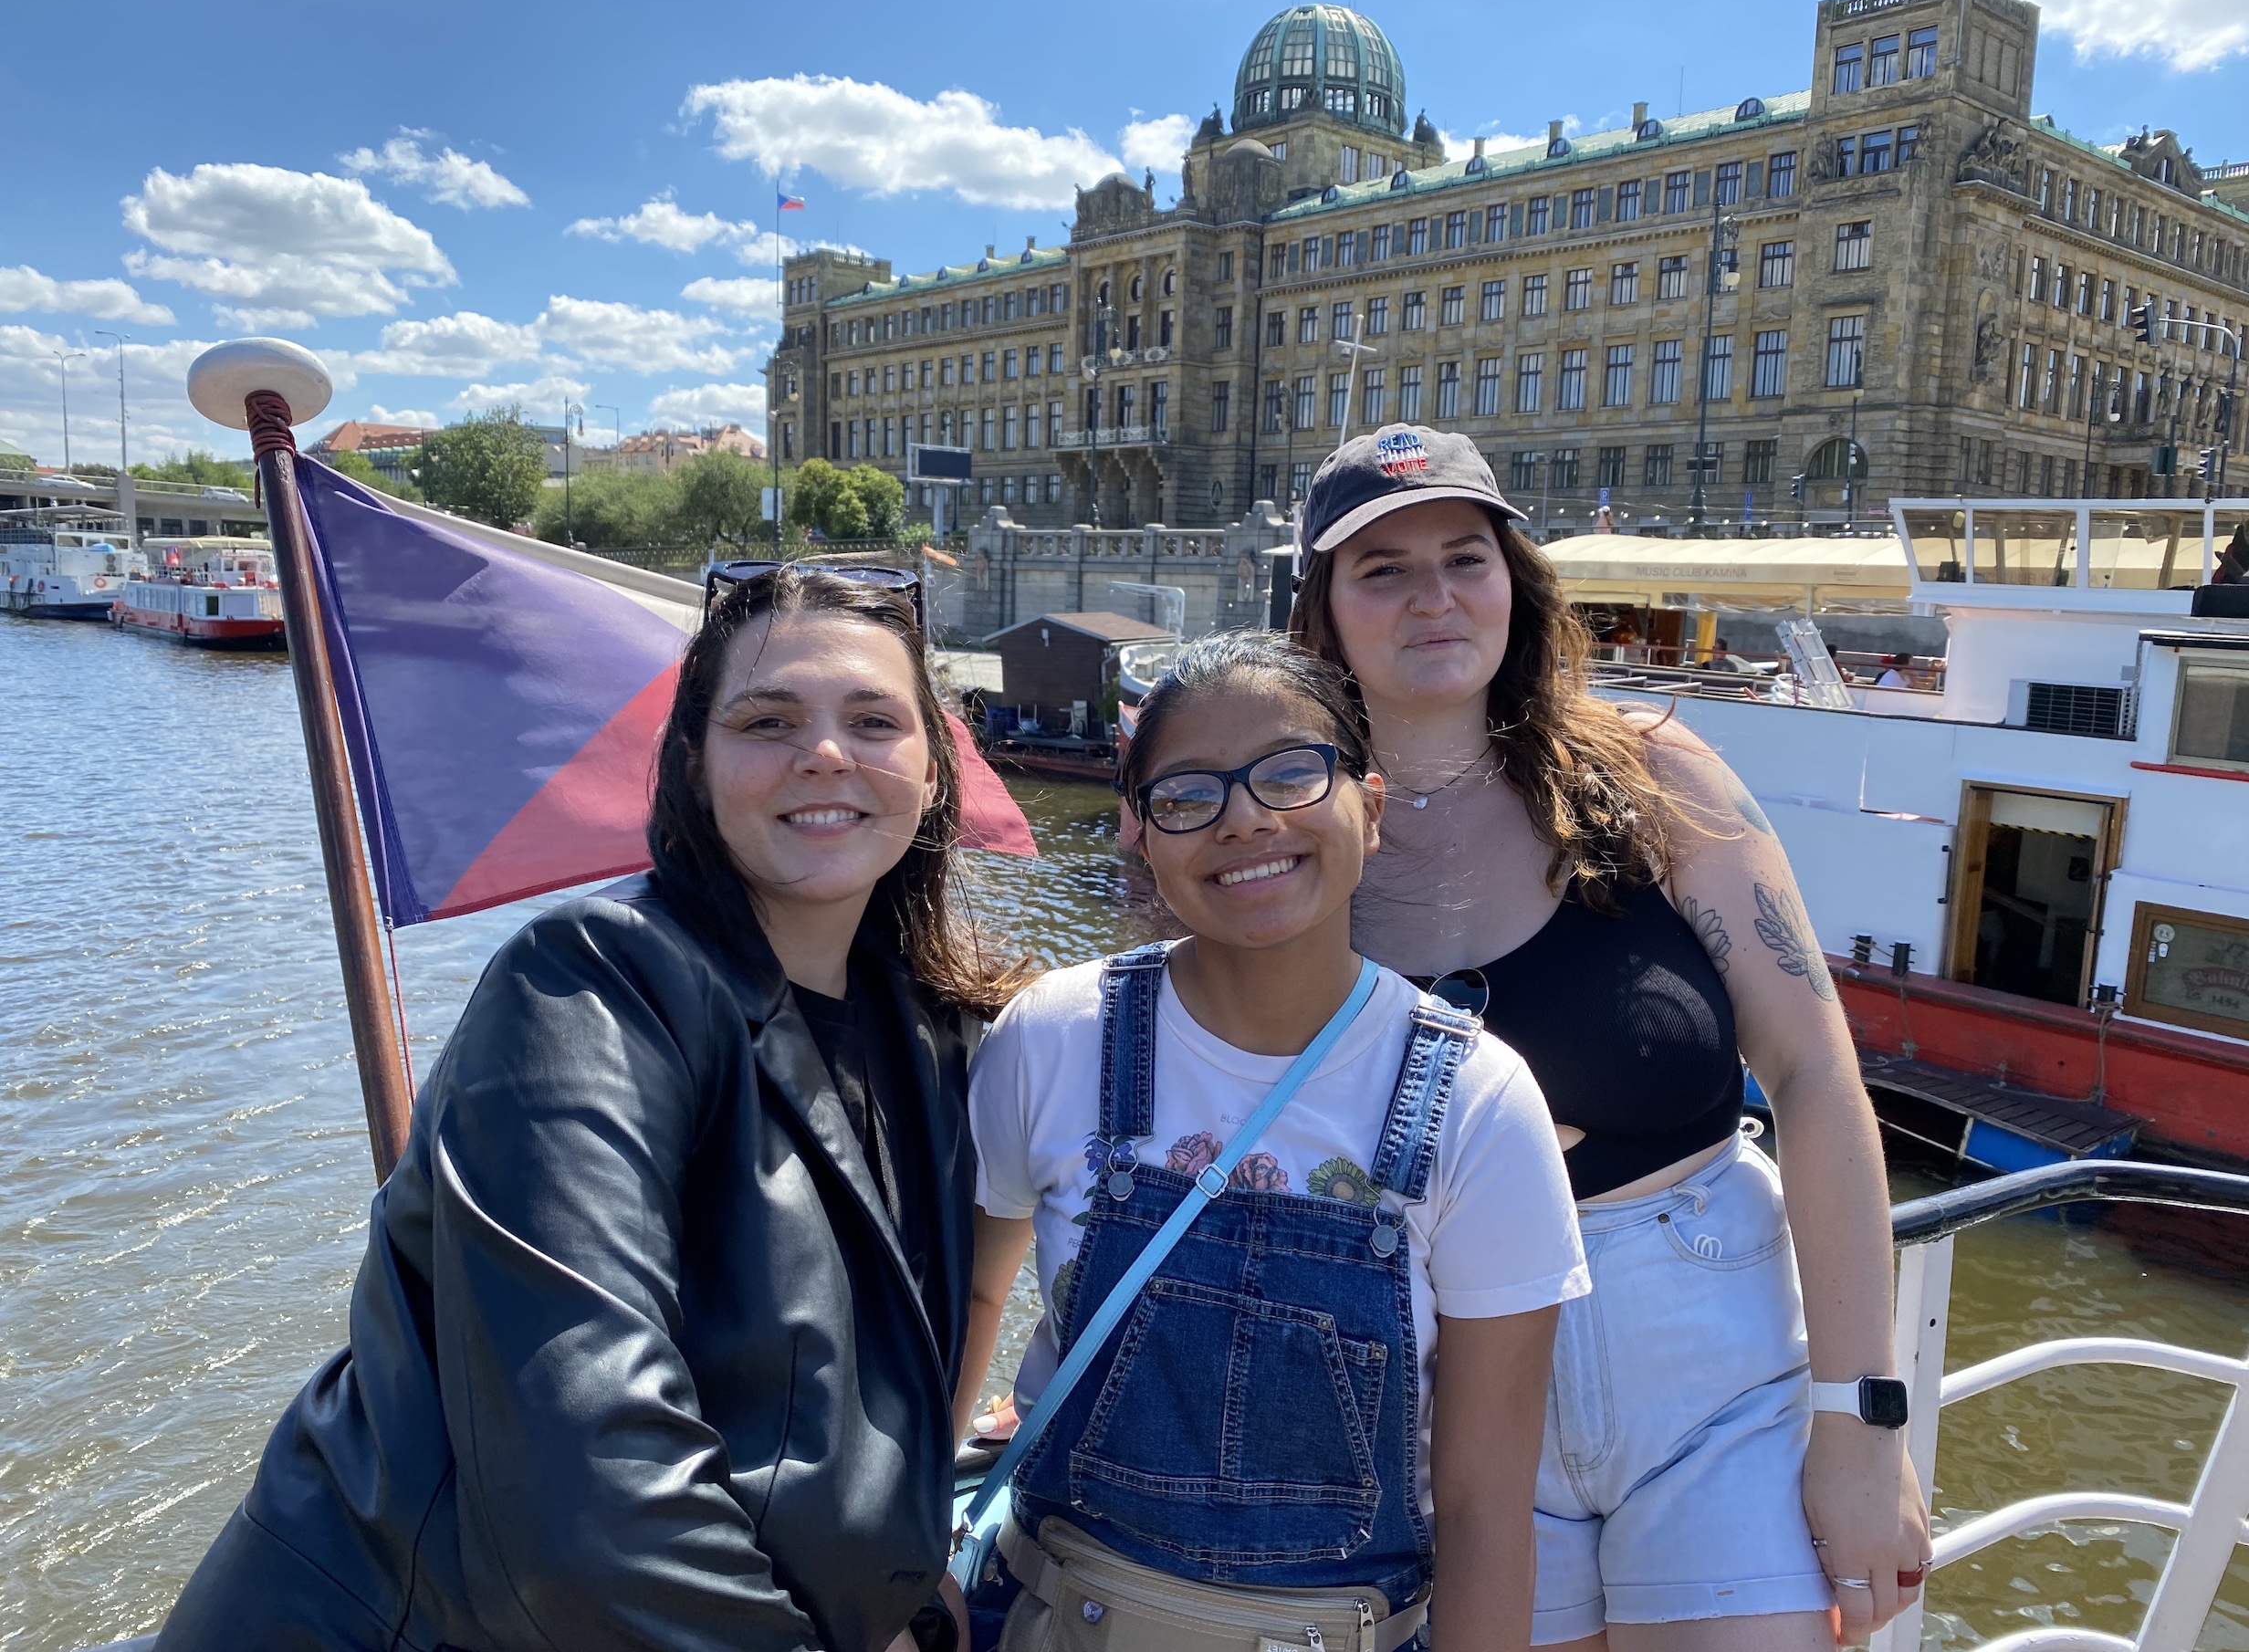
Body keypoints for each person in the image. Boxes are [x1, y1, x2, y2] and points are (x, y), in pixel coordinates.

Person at [156, 564, 1023, 1652]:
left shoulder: (935, 1032)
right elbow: (587, 1478)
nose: (825, 754)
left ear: (935, 775)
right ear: (691, 764)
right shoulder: (589, 986)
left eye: (872, 720)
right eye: (767, 720)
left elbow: (877, 1399)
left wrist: (899, 1580)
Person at [1289, 425, 1930, 1652]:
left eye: (1464, 557)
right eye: (1382, 570)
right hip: (1445, 1372)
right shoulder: (1295, 831)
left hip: (1711, 1352)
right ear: (1323, 612)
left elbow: (1814, 1071)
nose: (1434, 597)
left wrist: (1860, 1419)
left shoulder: (1653, 777)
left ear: (1513, 582)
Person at [960, 633, 1586, 1652]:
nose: (1246, 818)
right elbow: (972, 1306)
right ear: (1141, 835)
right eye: (1188, 794)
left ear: (1370, 809)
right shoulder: (1049, 1037)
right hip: (1053, 1619)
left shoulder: (1476, 1100)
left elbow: (1482, 1506)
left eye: (1291, 773)